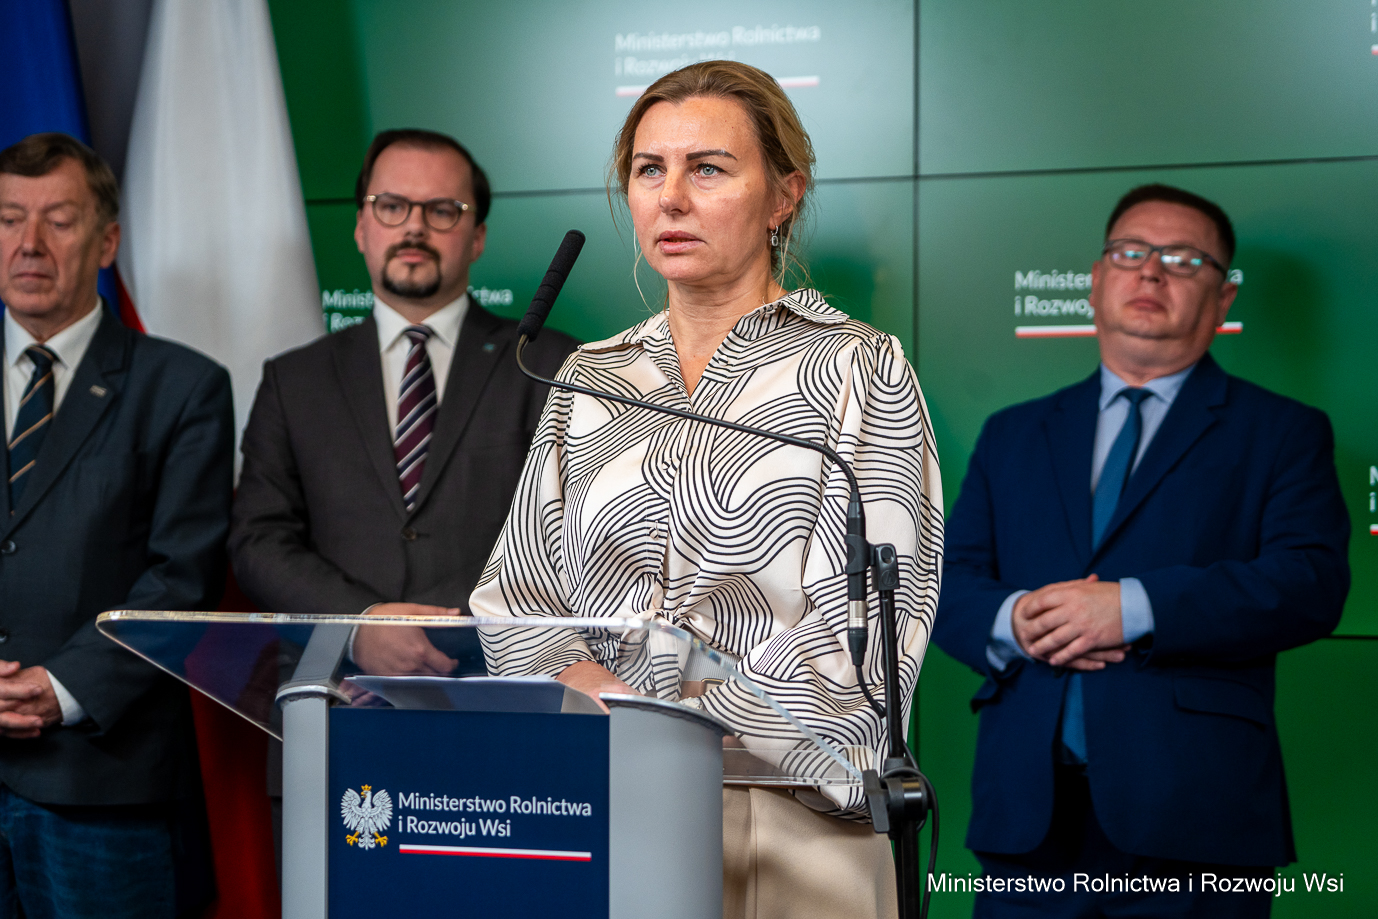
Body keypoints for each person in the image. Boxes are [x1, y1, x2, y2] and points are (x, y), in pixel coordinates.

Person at [469, 61, 943, 919]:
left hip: (789, 821)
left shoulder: (859, 368)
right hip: (603, 798)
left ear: (784, 196)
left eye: (709, 168)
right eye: (649, 169)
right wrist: (592, 690)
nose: (672, 198)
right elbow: (518, 597)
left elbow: (872, 638)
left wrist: (672, 719)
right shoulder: (591, 375)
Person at [933, 184, 1350, 918]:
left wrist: (1132, 607)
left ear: (1222, 299)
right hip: (1027, 819)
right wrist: (1016, 619)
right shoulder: (1012, 433)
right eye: (1130, 253)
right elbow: (949, 584)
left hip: (1196, 817)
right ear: (1096, 282)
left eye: (1183, 259)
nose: (1151, 271)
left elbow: (1309, 582)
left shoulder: (1284, 431)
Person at [229, 129, 578, 671]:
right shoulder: (293, 380)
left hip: (499, 680)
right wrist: (360, 624)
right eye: (391, 206)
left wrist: (449, 633)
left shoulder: (552, 365)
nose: (414, 226)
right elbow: (258, 540)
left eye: (442, 210)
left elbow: (576, 536)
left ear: (478, 237)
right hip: (334, 689)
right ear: (360, 227)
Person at [0, 133, 234, 917]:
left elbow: (183, 577)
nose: (29, 243)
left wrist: (58, 687)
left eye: (59, 220)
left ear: (106, 242)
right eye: (9, 218)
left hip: (99, 785)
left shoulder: (184, 386)